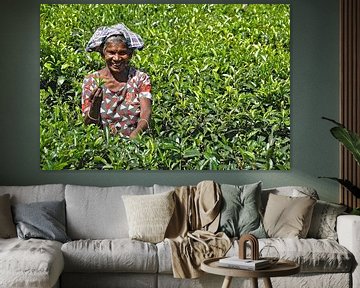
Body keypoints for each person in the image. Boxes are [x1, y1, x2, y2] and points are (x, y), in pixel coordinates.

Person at [81, 23, 151, 139]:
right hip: (102, 147)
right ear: (103, 55)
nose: (117, 58)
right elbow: (88, 125)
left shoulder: (140, 78)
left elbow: (146, 112)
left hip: (135, 146)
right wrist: (95, 105)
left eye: (122, 53)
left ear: (130, 55)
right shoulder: (91, 81)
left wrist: (135, 135)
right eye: (111, 52)